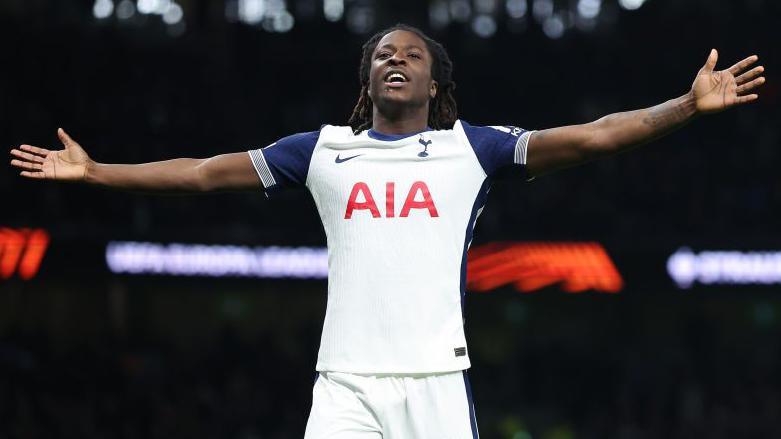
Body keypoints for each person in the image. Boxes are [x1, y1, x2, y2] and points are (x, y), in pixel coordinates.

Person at [9, 23, 765, 439]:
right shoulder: (320, 150)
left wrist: (684, 107)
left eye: (409, 54)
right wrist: (98, 171)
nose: (392, 58)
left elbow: (596, 136)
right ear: (366, 80)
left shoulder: (476, 146)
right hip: (343, 384)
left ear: (434, 83)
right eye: (381, 53)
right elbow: (205, 171)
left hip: (435, 382)